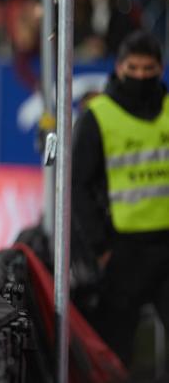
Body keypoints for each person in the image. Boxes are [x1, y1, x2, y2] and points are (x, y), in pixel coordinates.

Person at [71, 30, 169, 369]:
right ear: (119, 67)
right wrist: (100, 247)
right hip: (122, 251)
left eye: (149, 68)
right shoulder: (98, 115)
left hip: (166, 245)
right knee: (115, 350)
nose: (141, 75)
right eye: (134, 68)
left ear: (160, 67)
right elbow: (78, 186)